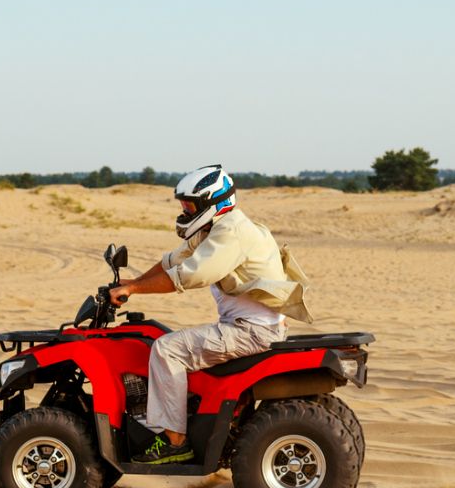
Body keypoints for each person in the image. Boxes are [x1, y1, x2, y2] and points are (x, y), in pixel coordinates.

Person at [106, 165, 313, 464]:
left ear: (212, 203)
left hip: (251, 331)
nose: (184, 210)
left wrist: (136, 290)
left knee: (167, 349)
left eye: (190, 205)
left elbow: (190, 275)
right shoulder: (213, 228)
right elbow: (172, 261)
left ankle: (175, 442)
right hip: (248, 326)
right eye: (183, 205)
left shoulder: (231, 232)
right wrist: (132, 282)